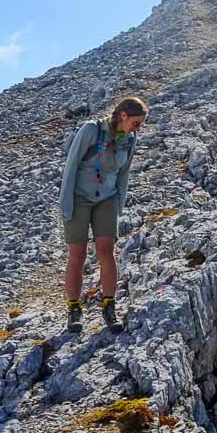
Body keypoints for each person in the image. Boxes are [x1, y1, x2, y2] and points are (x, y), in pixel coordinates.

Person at [59, 96, 148, 332]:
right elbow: (71, 166)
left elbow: (124, 174)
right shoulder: (91, 131)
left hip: (106, 198)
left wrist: (119, 204)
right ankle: (73, 309)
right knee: (77, 254)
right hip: (78, 197)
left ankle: (109, 307)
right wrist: (66, 204)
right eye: (136, 122)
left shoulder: (130, 139)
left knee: (106, 251)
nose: (138, 128)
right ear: (123, 116)